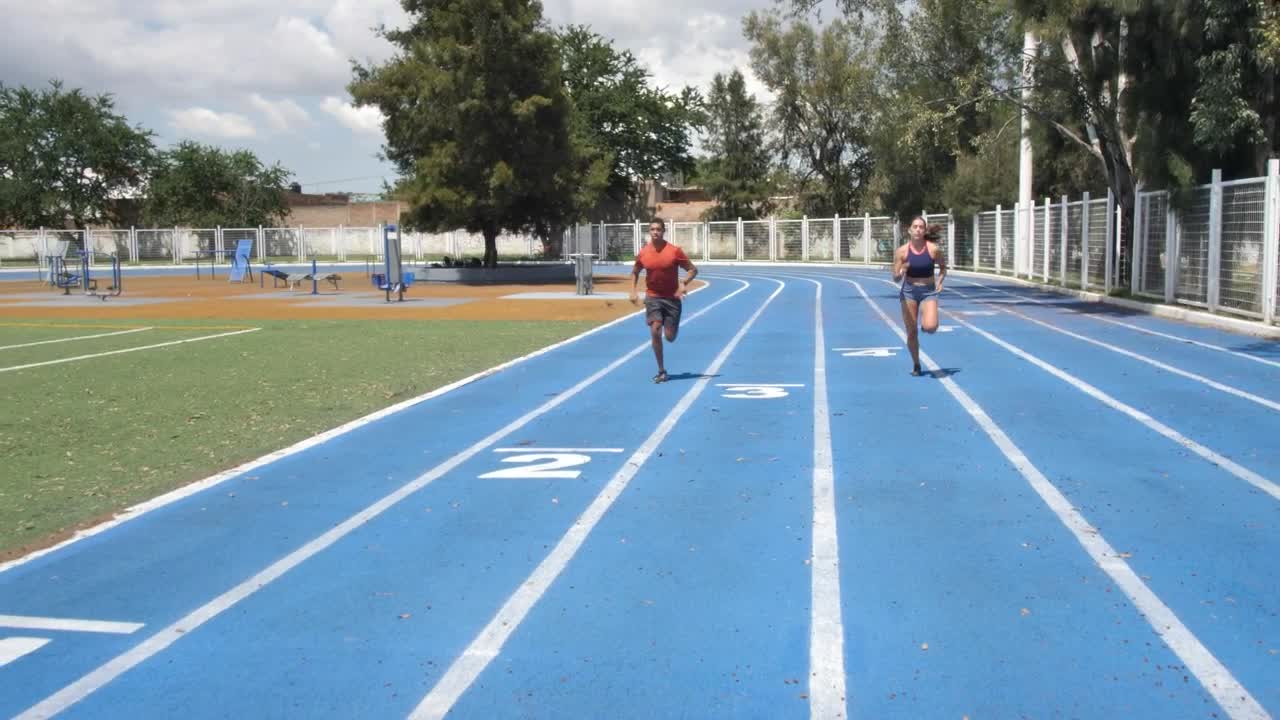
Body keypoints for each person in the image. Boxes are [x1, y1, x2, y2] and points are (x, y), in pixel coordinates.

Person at [630, 219, 698, 383]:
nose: (655, 232)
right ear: (649, 231)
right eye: (652, 229)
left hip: (672, 299)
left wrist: (683, 283)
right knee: (655, 330)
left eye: (658, 229)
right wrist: (632, 290)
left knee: (670, 337)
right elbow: (635, 272)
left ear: (663, 231)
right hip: (653, 297)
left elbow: (692, 270)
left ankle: (672, 328)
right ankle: (661, 371)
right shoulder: (644, 252)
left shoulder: (674, 251)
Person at [891, 216, 947, 376]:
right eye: (915, 226)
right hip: (909, 292)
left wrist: (940, 282)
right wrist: (902, 270)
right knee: (911, 332)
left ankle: (926, 324)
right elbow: (895, 278)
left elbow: (943, 268)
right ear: (909, 230)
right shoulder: (902, 251)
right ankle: (916, 364)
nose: (918, 229)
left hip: (928, 291)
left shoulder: (933, 249)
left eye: (921, 227)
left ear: (924, 231)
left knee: (930, 327)